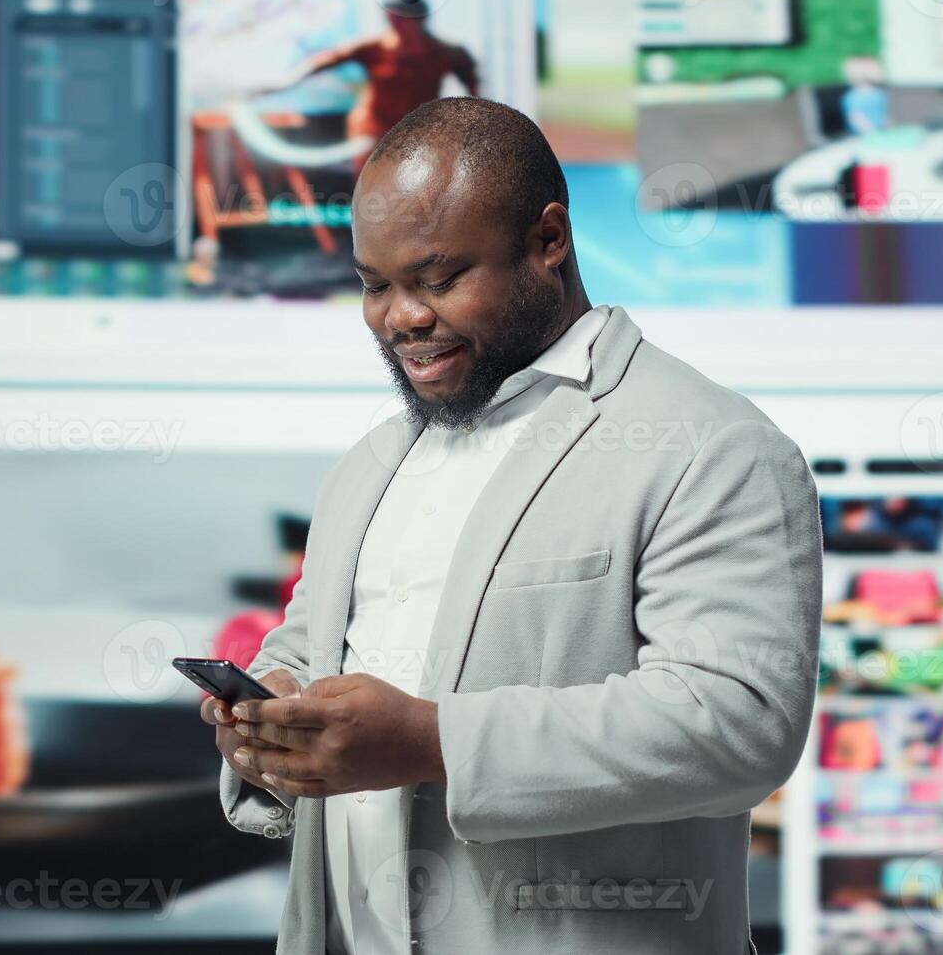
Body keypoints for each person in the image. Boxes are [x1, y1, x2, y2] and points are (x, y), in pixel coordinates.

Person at [200, 97, 822, 953]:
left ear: (549, 240)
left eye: (438, 276)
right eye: (375, 285)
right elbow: (309, 652)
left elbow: (738, 722)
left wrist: (430, 741)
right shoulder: (370, 465)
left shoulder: (711, 445)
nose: (401, 318)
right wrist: (272, 718)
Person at [263, 0, 478, 172]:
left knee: (418, 189)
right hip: (373, 129)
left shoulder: (447, 54)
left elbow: (474, 86)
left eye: (400, 19)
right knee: (372, 188)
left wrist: (476, 125)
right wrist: (284, 82)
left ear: (418, 19)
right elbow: (327, 60)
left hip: (419, 133)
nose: (394, 24)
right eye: (391, 18)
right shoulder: (374, 48)